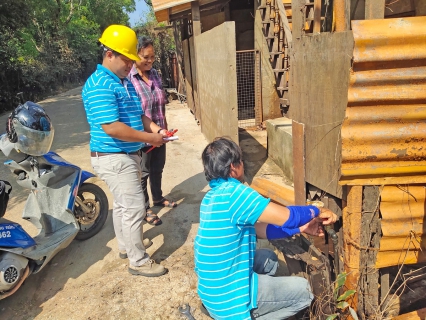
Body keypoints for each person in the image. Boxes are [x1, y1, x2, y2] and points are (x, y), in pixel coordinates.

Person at [195, 137, 338, 319]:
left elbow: (261, 229)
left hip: (212, 292)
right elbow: (289, 216)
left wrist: (301, 228)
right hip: (229, 302)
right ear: (233, 167)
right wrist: (317, 209)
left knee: (269, 258)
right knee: (304, 291)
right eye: (241, 161)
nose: (243, 166)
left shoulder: (211, 198)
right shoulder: (235, 193)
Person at [82, 24, 169, 277]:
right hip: (114, 155)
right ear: (109, 54)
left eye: (133, 60)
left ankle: (126, 246)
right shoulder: (99, 84)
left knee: (122, 206)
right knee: (134, 208)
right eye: (127, 59)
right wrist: (149, 137)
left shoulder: (121, 81)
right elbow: (112, 128)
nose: (131, 65)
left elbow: (136, 114)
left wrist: (156, 128)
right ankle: (138, 261)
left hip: (125, 154)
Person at [128, 36, 177, 227]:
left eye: (152, 57)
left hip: (160, 132)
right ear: (135, 55)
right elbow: (134, 112)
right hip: (142, 137)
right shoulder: (129, 79)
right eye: (146, 57)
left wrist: (163, 131)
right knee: (143, 172)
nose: (150, 61)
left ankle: (157, 197)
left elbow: (159, 102)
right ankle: (145, 208)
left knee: (158, 167)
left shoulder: (155, 74)